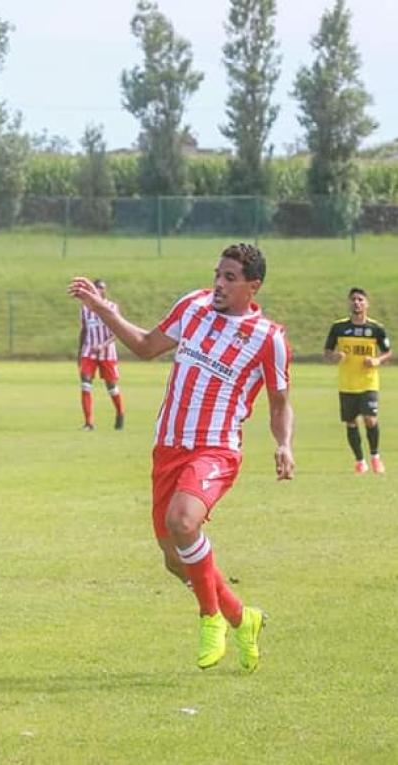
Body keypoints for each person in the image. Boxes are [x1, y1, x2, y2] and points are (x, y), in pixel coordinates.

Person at [68, 243, 294, 673]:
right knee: (176, 560)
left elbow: (280, 401)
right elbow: (146, 346)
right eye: (217, 274)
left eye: (230, 277)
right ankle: (241, 618)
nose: (219, 284)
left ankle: (210, 619)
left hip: (216, 448)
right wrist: (101, 308)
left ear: (253, 286)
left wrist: (283, 444)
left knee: (183, 522)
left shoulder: (269, 338)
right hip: (167, 447)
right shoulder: (193, 306)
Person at [324, 287, 391, 474]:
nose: (357, 302)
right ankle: (360, 461)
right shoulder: (339, 328)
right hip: (347, 383)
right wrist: (335, 356)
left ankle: (375, 457)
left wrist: (377, 360)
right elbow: (327, 352)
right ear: (349, 302)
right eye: (353, 299)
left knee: (370, 419)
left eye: (360, 299)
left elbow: (387, 352)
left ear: (366, 303)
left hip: (368, 382)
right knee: (351, 422)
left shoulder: (375, 329)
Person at [77, 278, 125, 430]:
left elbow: (118, 331)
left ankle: (120, 413)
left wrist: (103, 345)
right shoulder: (85, 309)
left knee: (111, 386)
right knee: (85, 383)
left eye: (102, 288)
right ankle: (88, 422)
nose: (99, 290)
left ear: (105, 290)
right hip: (89, 351)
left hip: (107, 353)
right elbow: (84, 330)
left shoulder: (112, 307)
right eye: (97, 288)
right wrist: (79, 353)